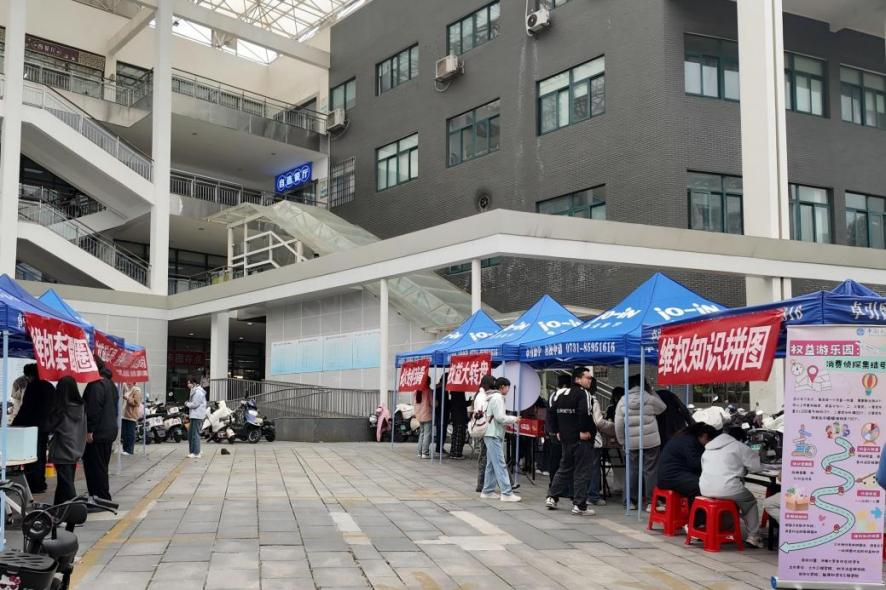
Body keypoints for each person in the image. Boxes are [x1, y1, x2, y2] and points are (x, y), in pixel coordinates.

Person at [699, 426, 764, 548]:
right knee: (750, 502)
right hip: (728, 488)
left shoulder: (708, 448)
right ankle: (753, 537)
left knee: (730, 498)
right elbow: (756, 467)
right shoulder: (739, 446)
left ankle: (724, 528)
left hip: (705, 488)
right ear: (741, 439)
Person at [545, 366, 597, 515]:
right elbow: (585, 413)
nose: (590, 380)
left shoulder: (562, 394)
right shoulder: (584, 394)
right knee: (582, 472)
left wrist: (557, 431)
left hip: (566, 439)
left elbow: (552, 413)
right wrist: (584, 431)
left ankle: (552, 497)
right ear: (578, 379)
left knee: (564, 468)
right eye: (588, 377)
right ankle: (579, 505)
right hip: (580, 440)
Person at [615, 375, 666, 511]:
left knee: (632, 470)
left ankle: (630, 501)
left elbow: (618, 424)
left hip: (631, 442)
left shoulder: (622, 400)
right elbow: (662, 408)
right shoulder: (649, 398)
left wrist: (622, 441)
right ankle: (651, 502)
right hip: (651, 441)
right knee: (651, 471)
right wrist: (651, 391)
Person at [656, 422, 718, 510]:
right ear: (705, 436)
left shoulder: (688, 438)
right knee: (701, 487)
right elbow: (695, 464)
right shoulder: (689, 442)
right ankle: (697, 517)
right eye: (710, 441)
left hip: (674, 474)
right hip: (670, 477)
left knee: (704, 483)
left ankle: (696, 515)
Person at [13, 363, 55, 494]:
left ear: (31, 375)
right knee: (41, 456)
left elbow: (26, 408)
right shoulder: (49, 386)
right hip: (46, 427)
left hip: (32, 428)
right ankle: (41, 483)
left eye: (27, 376)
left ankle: (34, 484)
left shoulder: (33, 387)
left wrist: (15, 424)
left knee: (32, 457)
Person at [45, 376, 86, 505]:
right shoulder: (81, 407)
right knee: (65, 482)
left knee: (67, 485)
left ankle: (76, 511)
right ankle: (58, 509)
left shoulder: (61, 408)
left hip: (62, 450)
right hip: (76, 449)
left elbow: (48, 426)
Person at [480, 377, 521, 502]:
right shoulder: (498, 398)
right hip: (493, 434)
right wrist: (514, 419)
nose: (508, 389)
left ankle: (487, 491)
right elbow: (500, 417)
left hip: (490, 433)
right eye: (508, 387)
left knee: (492, 464)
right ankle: (506, 493)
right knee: (500, 463)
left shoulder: (491, 396)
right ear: (502, 386)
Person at [83, 362, 119, 502]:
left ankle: (100, 497)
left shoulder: (96, 384)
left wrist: (90, 430)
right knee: (102, 467)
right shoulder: (111, 384)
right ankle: (101, 497)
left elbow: (93, 409)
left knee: (95, 468)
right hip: (109, 431)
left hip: (98, 433)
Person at [545, 374, 572, 485]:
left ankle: (555, 483)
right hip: (558, 432)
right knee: (558, 458)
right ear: (565, 385)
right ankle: (555, 484)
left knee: (556, 458)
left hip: (554, 431)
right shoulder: (559, 396)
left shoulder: (553, 395)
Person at [185, 376, 207, 458]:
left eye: (189, 383)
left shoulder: (198, 392)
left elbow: (195, 404)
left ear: (193, 383)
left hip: (197, 415)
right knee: (192, 434)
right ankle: (196, 450)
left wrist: (187, 404)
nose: (188, 385)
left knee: (194, 434)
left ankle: (196, 453)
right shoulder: (195, 390)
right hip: (195, 415)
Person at [414, 376, 433, 459]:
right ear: (427, 382)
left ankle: (419, 452)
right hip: (427, 414)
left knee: (421, 433)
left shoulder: (416, 390)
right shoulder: (428, 390)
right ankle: (425, 453)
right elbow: (433, 403)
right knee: (427, 434)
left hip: (419, 415)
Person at [121, 383, 142, 456]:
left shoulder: (136, 390)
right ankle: (125, 449)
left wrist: (128, 398)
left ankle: (129, 450)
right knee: (124, 433)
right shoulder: (127, 389)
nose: (128, 382)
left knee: (130, 433)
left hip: (131, 415)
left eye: (129, 381)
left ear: (134, 382)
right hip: (124, 414)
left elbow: (137, 403)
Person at [449, 388, 469, 459]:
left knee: (455, 435)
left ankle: (453, 452)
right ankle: (457, 454)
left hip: (455, 416)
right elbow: (461, 404)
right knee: (459, 435)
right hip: (460, 417)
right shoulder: (459, 393)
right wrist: (469, 402)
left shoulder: (453, 393)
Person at [433, 376, 450, 455]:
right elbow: (446, 403)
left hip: (437, 413)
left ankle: (439, 447)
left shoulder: (436, 388)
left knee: (439, 431)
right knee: (442, 431)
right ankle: (439, 448)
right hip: (442, 413)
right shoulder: (443, 390)